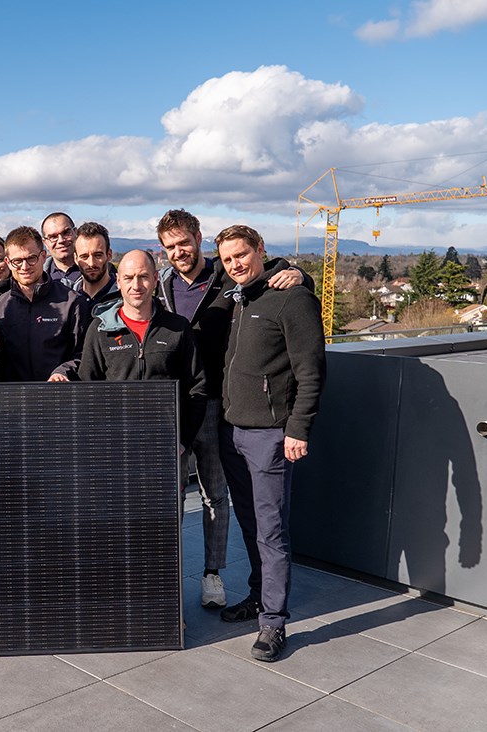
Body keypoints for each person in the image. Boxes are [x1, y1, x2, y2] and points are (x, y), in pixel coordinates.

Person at [156, 208, 307, 609]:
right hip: (181, 402)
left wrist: (299, 273)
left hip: (226, 405)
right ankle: (251, 594)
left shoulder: (226, 277)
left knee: (218, 495)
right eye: (170, 247)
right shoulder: (164, 285)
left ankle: (217, 576)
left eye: (184, 243)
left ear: (199, 237)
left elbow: (269, 273)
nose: (179, 252)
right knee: (180, 495)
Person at [215, 224, 325, 663]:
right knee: (250, 525)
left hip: (270, 436)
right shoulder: (238, 294)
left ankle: (274, 623)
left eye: (242, 255)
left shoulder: (292, 297)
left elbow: (312, 371)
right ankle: (259, 598)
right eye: (227, 259)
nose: (236, 264)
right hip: (232, 431)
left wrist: (298, 428)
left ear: (261, 250)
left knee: (271, 531)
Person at [79, 249, 206, 446]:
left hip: (167, 444)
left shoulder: (178, 328)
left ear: (155, 279)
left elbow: (196, 387)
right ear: (118, 281)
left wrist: (183, 440)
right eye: (128, 278)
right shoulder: (100, 330)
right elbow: (87, 389)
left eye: (143, 277)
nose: (136, 286)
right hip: (115, 444)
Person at [0, 226, 90, 382]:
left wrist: (63, 372)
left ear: (43, 256)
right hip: (15, 398)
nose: (24, 267)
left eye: (31, 258)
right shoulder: (1, 307)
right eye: (17, 261)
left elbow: (85, 353)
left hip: (59, 396)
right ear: (8, 262)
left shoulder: (72, 302)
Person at [70, 221, 120, 311]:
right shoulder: (68, 299)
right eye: (84, 256)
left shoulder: (124, 298)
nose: (91, 263)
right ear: (75, 258)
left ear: (109, 255)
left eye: (98, 255)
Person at [41, 212, 80, 287]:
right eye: (53, 237)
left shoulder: (96, 272)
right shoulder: (37, 278)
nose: (61, 240)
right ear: (45, 243)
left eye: (66, 233)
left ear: (75, 233)